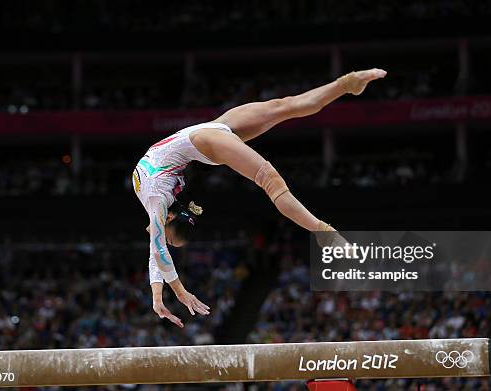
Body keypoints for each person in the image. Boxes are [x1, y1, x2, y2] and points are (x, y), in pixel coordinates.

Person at [132, 69, 387, 327]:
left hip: (207, 140)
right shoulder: (160, 207)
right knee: (284, 106)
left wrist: (179, 292)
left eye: (171, 240)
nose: (166, 242)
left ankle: (325, 233)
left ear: (171, 219)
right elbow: (158, 248)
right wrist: (156, 296)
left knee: (270, 180)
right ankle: (345, 84)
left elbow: (158, 249)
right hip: (204, 131)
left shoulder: (156, 201)